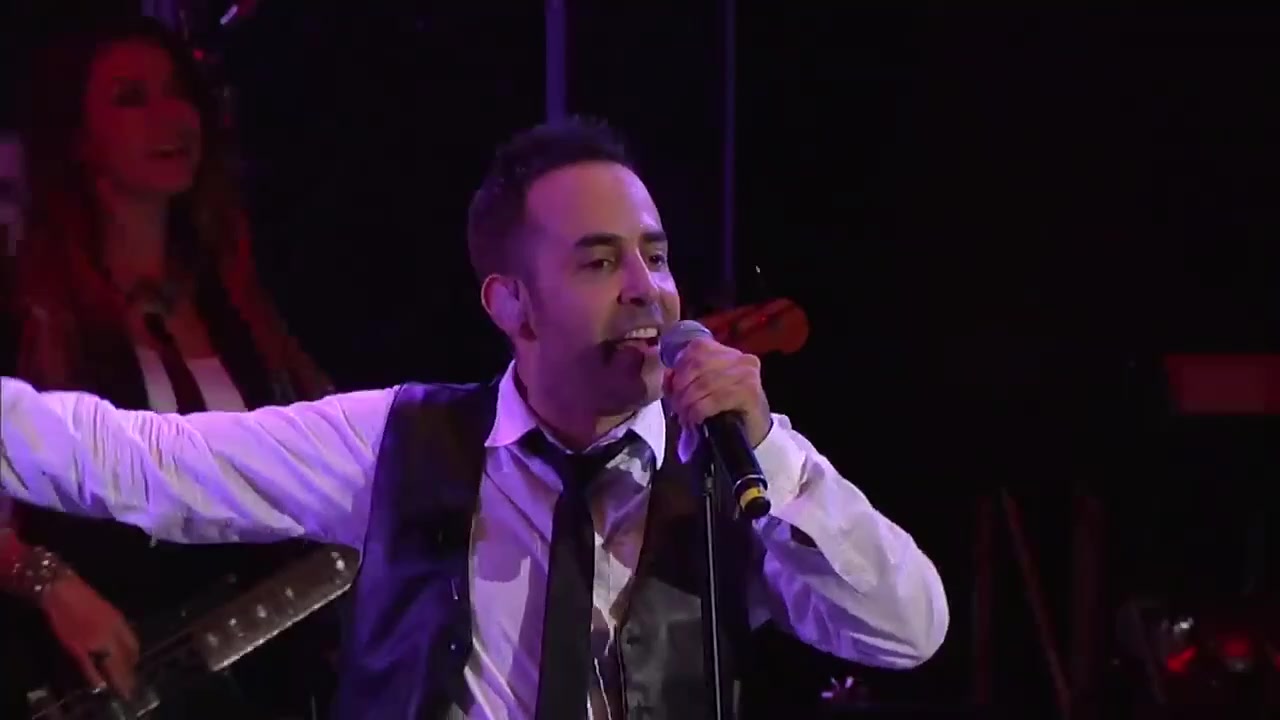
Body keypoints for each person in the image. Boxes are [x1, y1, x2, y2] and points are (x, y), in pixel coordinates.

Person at [0, 118, 949, 719]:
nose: (647, 290)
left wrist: (772, 454)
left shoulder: (737, 466)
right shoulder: (399, 441)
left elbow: (907, 631)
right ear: (511, 304)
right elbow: (136, 461)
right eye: (599, 262)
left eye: (656, 256)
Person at [0, 15, 335, 719]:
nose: (171, 116)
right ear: (78, 139)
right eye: (131, 98)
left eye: (177, 90)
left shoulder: (239, 292)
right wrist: (49, 583)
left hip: (264, 672)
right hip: (104, 681)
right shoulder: (30, 309)